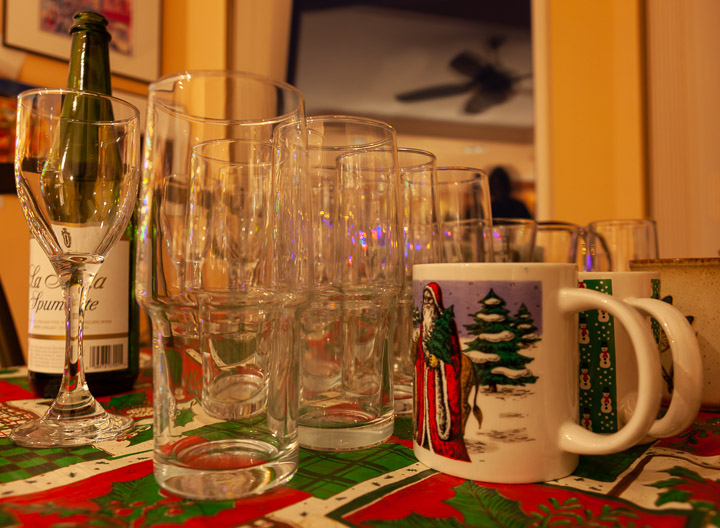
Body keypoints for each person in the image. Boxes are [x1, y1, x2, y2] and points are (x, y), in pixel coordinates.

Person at [415, 283, 470, 462]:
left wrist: (439, 362)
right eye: (424, 299)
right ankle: (425, 437)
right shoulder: (424, 324)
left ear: (437, 300)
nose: (426, 303)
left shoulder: (446, 324)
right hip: (426, 375)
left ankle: (442, 440)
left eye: (430, 300)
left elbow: (454, 355)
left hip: (439, 377)